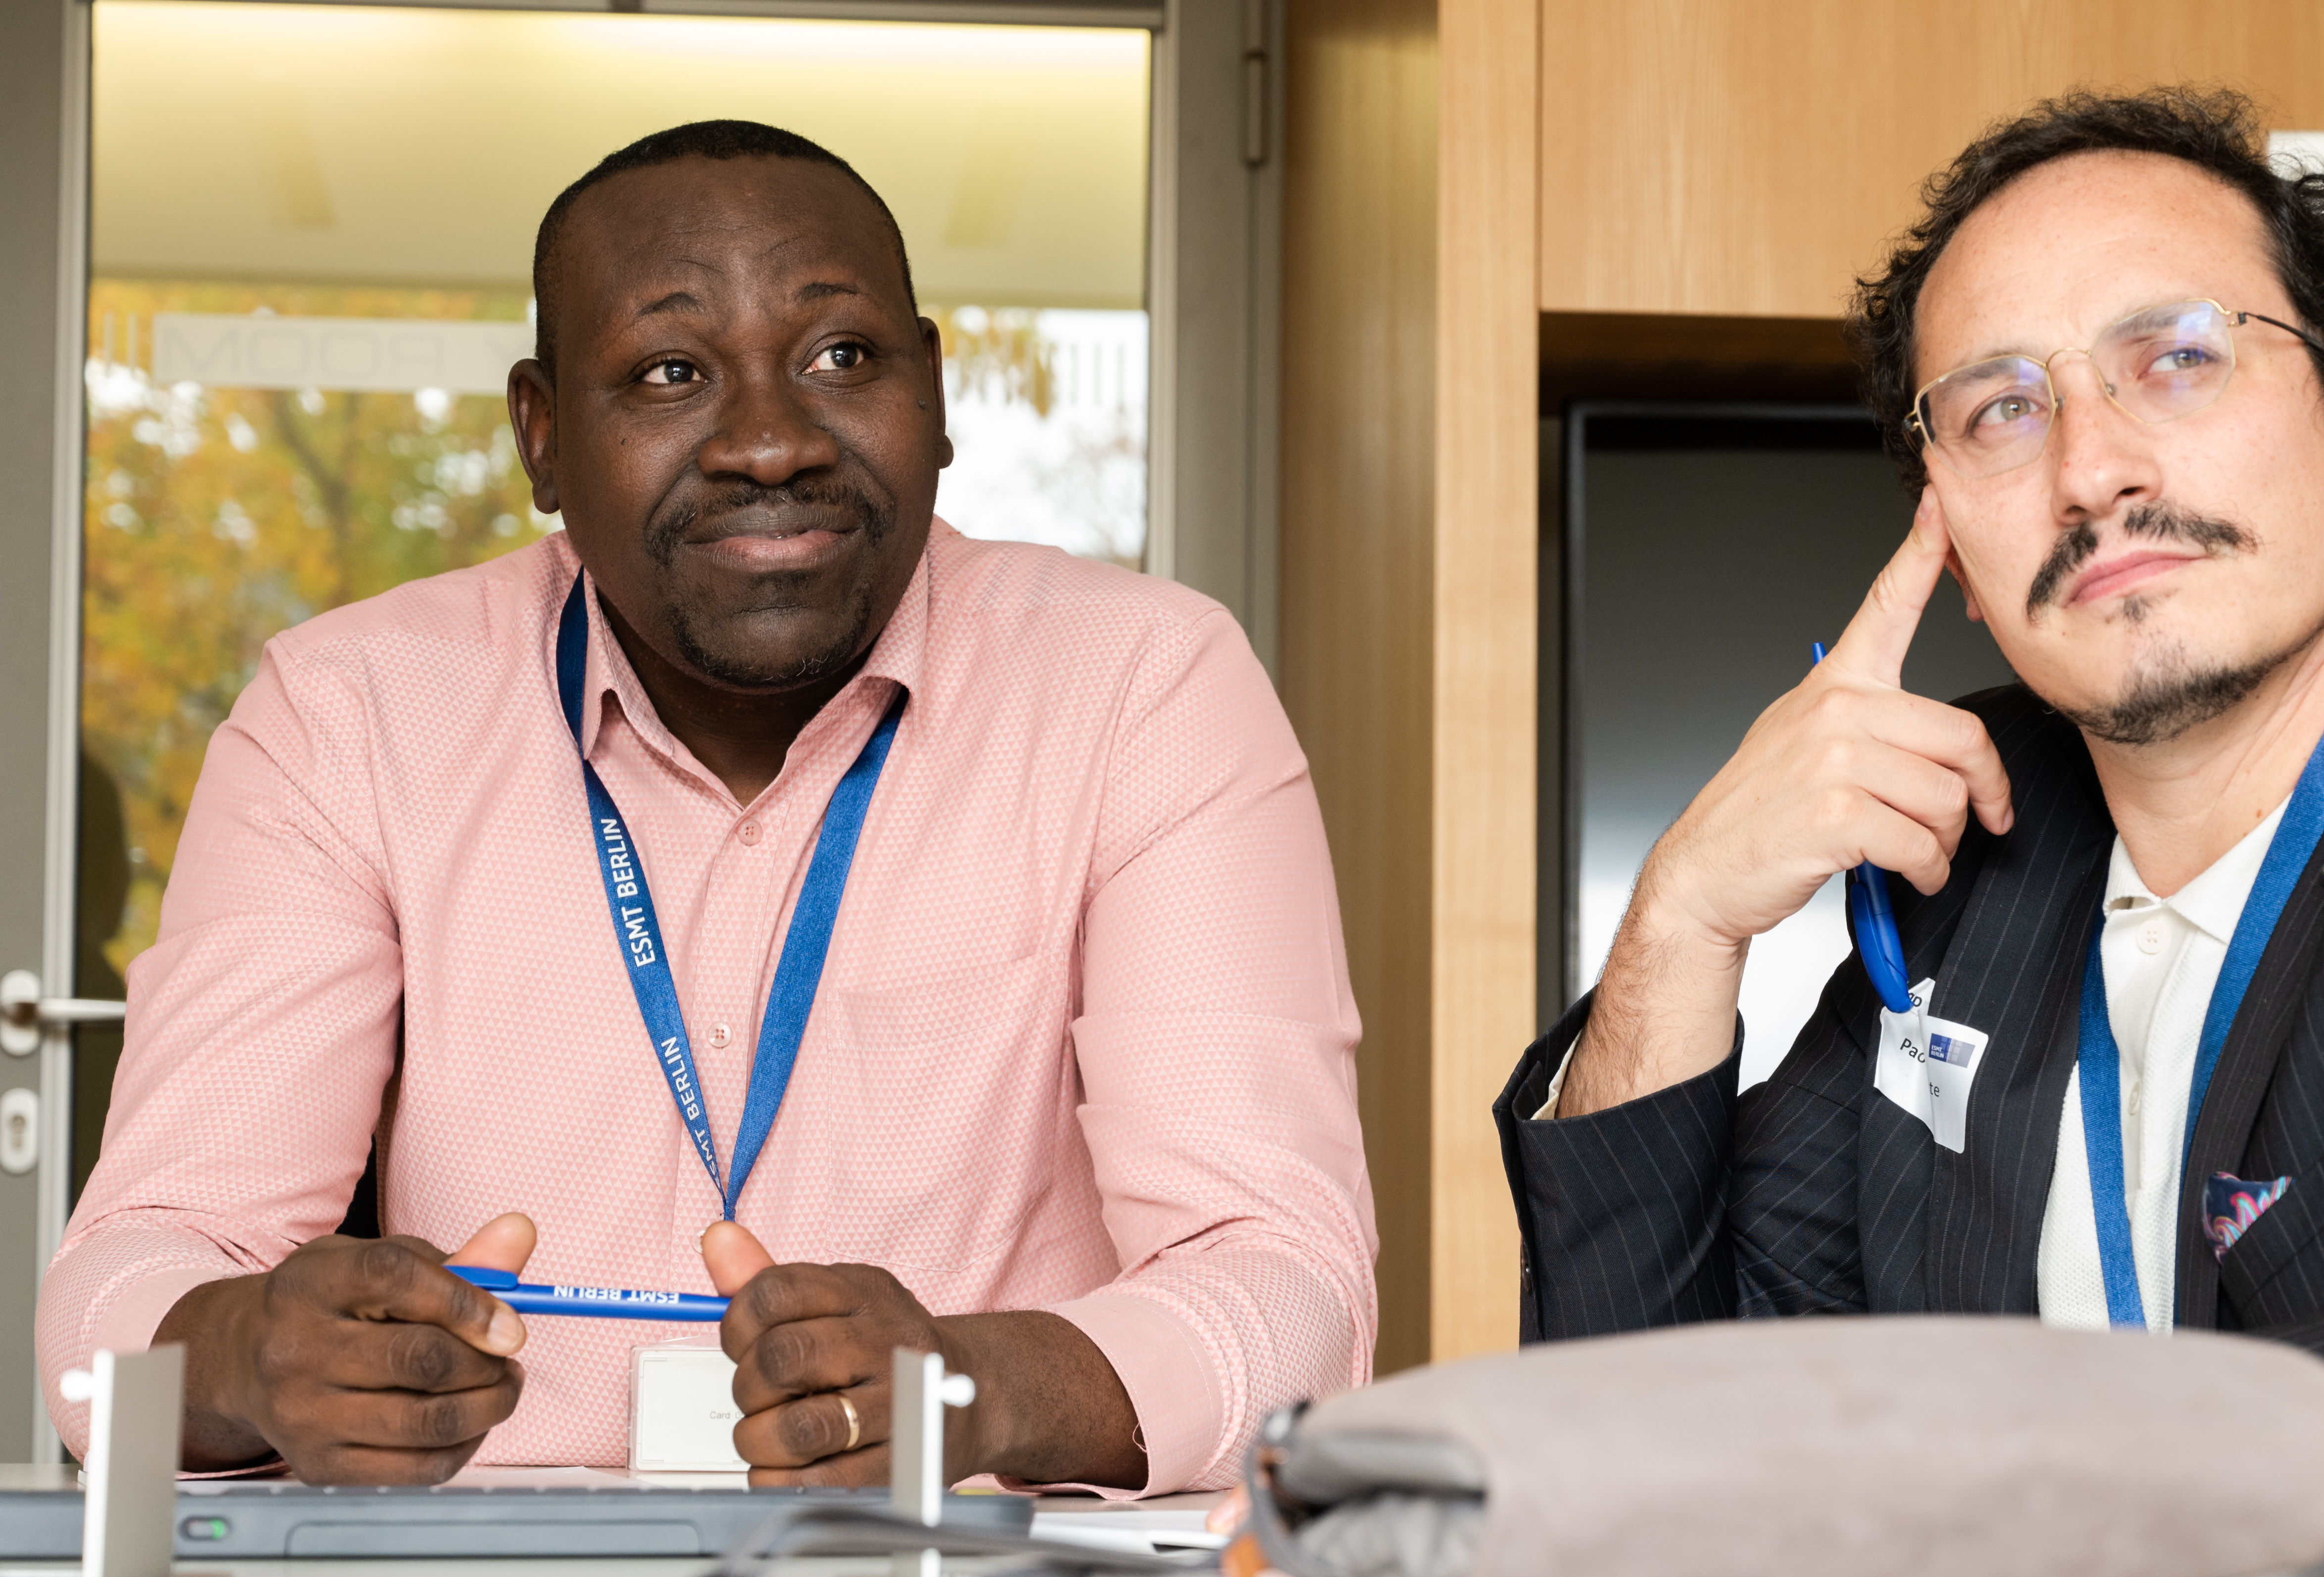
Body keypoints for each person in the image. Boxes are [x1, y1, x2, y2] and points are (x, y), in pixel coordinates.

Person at [1494, 88, 2324, 1556]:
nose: (2093, 469)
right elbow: (1644, 1415)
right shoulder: (1982, 856)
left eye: (2175, 359)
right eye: (2005, 410)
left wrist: (1931, 1460)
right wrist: (1682, 917)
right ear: (1956, 556)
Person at [39, 120, 1376, 1495]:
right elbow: (125, 1284)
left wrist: (977, 1390)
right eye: (672, 371)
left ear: (936, 388)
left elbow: (1288, 1287)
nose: (770, 440)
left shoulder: (1145, 688)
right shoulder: (351, 716)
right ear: (542, 439)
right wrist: (248, 1355)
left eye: (841, 356)